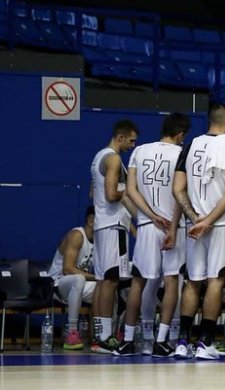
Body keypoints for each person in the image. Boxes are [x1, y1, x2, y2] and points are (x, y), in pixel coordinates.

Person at [113, 113, 190, 357]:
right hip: (172, 227)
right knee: (171, 283)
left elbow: (131, 189)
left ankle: (126, 341)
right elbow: (180, 193)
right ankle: (161, 341)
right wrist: (172, 226)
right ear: (180, 135)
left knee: (138, 282)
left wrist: (149, 215)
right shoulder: (181, 153)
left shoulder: (140, 150)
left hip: (147, 225)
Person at [172, 104, 225, 360]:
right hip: (220, 224)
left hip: (194, 225)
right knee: (216, 280)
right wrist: (209, 220)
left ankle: (182, 342)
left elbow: (177, 189)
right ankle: (206, 342)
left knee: (193, 281)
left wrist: (194, 219)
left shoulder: (189, 146)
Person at [90, 120, 138, 354]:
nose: (132, 145)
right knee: (110, 281)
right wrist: (129, 188)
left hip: (103, 225)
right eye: (131, 140)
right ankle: (105, 337)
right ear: (120, 137)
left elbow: (94, 192)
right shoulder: (114, 159)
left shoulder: (98, 157)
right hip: (113, 226)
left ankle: (99, 336)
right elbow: (111, 194)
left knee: (102, 280)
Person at [48, 206, 97, 350]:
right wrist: (96, 277)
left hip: (80, 286)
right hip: (58, 284)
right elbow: (68, 269)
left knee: (107, 288)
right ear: (90, 221)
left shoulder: (99, 241)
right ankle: (72, 333)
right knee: (78, 278)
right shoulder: (77, 235)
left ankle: (103, 336)